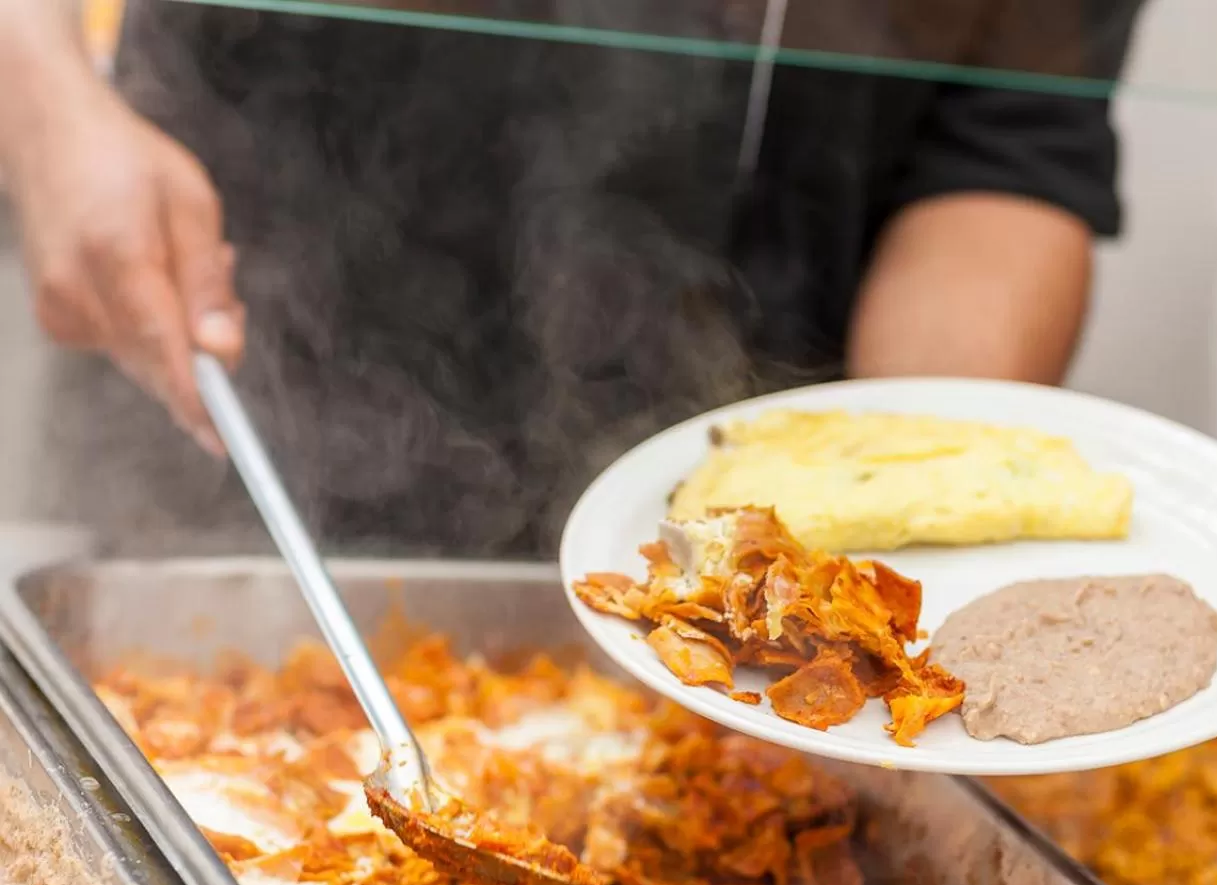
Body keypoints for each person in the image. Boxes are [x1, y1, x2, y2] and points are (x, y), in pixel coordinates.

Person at [0, 0, 1147, 557]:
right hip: (250, 404)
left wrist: (911, 487)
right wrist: (37, 83)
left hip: (734, 538)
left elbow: (1001, 149)